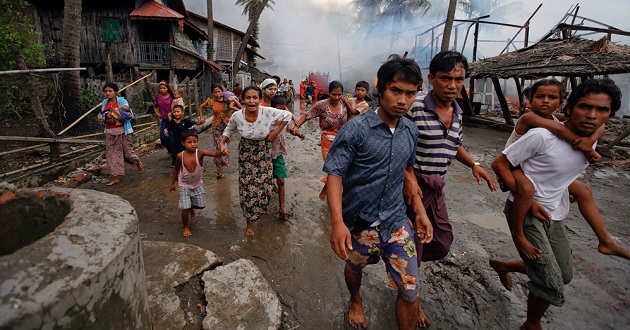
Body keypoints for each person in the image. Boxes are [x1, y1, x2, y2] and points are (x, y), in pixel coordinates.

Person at [489, 78, 622, 330]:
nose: (592, 115)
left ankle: (506, 265)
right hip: (518, 178)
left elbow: (597, 128)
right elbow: (502, 163)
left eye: (602, 111)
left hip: (551, 202)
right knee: (551, 282)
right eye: (585, 107)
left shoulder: (586, 132)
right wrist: (581, 142)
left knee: (563, 273)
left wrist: (589, 141)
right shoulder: (538, 128)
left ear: (561, 102)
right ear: (570, 108)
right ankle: (531, 323)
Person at [324, 54, 433, 330]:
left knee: (410, 290)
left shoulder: (410, 130)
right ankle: (356, 299)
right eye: (396, 91)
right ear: (380, 89)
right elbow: (335, 174)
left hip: (396, 222)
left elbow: (407, 171)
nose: (403, 100)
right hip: (361, 222)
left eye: (410, 94)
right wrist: (337, 223)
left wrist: (420, 213)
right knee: (354, 267)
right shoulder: (355, 130)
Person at [403, 50, 497, 328]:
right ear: (431, 79)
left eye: (459, 79)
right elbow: (397, 143)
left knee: (441, 242)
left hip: (437, 187)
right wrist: (408, 178)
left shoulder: (457, 112)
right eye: (446, 78)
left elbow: (453, 145)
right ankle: (411, 298)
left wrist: (473, 164)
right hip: (410, 187)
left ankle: (399, 261)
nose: (453, 85)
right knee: (415, 246)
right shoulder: (415, 106)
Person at [219, 86, 292, 236]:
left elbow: (287, 116)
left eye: (255, 98)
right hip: (246, 153)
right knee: (246, 187)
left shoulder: (268, 112)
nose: (251, 101)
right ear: (243, 100)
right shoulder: (237, 116)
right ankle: (249, 221)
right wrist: (222, 143)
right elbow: (228, 130)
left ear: (260, 100)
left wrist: (275, 133)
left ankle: (261, 209)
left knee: (265, 185)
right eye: (248, 98)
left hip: (264, 151)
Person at [296, 81, 359, 200]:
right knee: (334, 168)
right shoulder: (321, 105)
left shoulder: (345, 104)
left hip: (343, 140)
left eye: (339, 95)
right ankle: (333, 197)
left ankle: (329, 190)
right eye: (334, 94)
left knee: (344, 169)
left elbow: (354, 117)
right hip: (327, 141)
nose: (336, 97)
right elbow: (307, 115)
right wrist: (297, 125)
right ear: (328, 93)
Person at [169, 130, 220, 237]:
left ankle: (191, 206)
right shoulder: (180, 156)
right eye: (189, 142)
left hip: (197, 184)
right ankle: (185, 226)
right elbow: (176, 169)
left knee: (201, 206)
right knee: (185, 208)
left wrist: (222, 148)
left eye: (195, 142)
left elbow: (215, 154)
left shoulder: (200, 153)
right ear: (183, 143)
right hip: (184, 185)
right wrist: (172, 183)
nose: (193, 144)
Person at [98, 82, 143, 186]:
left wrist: (117, 111)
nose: (108, 93)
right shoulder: (105, 103)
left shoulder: (122, 101)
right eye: (106, 91)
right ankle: (115, 176)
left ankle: (138, 162)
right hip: (110, 131)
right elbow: (102, 117)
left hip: (123, 131)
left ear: (116, 92)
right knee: (111, 155)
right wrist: (105, 117)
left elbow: (129, 114)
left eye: (110, 91)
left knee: (127, 152)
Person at [270, 94, 305, 219]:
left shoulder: (286, 119)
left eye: (284, 109)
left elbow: (291, 129)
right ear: (272, 108)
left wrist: (298, 133)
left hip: (278, 154)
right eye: (279, 109)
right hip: (265, 155)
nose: (282, 111)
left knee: (281, 181)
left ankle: (281, 209)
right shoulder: (266, 119)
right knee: (266, 181)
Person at [198, 83, 232, 179]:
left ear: (222, 91)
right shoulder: (211, 102)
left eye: (219, 91)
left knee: (224, 146)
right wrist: (201, 118)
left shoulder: (228, 100)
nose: (217, 94)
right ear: (212, 93)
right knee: (218, 147)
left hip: (227, 128)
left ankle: (223, 163)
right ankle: (219, 169)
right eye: (215, 92)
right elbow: (201, 106)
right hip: (216, 128)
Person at [153, 80, 175, 156]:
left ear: (167, 88)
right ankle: (170, 150)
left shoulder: (172, 96)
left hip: (172, 119)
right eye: (161, 88)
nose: (162, 90)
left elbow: (177, 106)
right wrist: (157, 113)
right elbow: (155, 106)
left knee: (172, 136)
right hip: (164, 120)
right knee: (163, 138)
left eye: (164, 88)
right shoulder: (158, 97)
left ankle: (174, 152)